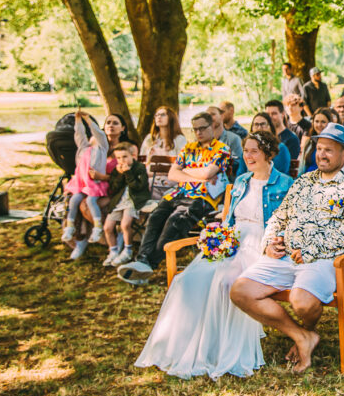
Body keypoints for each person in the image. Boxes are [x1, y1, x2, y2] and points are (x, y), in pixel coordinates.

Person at [137, 131, 293, 379]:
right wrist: (216, 235)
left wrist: (277, 242)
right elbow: (228, 219)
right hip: (234, 240)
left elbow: (290, 223)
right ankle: (195, 347)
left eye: (254, 150)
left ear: (268, 153)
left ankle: (225, 350)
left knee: (226, 282)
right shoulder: (241, 181)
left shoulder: (285, 183)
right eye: (246, 150)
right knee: (187, 280)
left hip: (261, 243)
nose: (248, 156)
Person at [230, 123, 344, 373]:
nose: (322, 154)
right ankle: (302, 336)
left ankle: (306, 332)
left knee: (302, 301)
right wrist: (270, 241)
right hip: (288, 255)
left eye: (329, 150)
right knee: (241, 291)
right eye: (319, 148)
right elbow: (279, 215)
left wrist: (310, 250)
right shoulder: (305, 181)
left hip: (331, 259)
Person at [117, 112, 231, 285]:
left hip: (204, 197)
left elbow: (208, 172)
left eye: (202, 128)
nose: (199, 132)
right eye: (195, 129)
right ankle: (142, 261)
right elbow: (172, 173)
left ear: (212, 127)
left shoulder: (221, 149)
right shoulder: (189, 148)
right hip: (177, 193)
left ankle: (148, 264)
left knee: (175, 221)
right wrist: (197, 176)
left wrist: (186, 172)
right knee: (155, 217)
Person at [61, 111, 109, 259]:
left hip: (95, 184)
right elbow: (79, 135)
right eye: (91, 136)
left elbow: (99, 133)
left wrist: (89, 120)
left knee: (90, 201)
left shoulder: (101, 148)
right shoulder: (83, 149)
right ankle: (70, 227)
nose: (92, 137)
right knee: (74, 200)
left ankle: (97, 227)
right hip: (82, 185)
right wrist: (78, 120)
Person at [102, 142, 152, 266]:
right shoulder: (117, 170)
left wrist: (128, 173)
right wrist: (119, 175)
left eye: (125, 157)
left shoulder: (139, 167)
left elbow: (139, 187)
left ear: (132, 156)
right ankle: (113, 251)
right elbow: (113, 188)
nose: (121, 160)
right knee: (107, 227)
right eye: (118, 158)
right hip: (119, 201)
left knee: (125, 225)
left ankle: (128, 250)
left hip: (134, 200)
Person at [141, 106, 188, 200]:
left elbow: (182, 164)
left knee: (153, 184)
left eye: (163, 115)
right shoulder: (150, 139)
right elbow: (142, 160)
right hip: (150, 175)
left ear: (170, 118)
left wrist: (160, 172)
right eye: (157, 115)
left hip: (171, 178)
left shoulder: (179, 140)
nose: (159, 117)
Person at [300, 107, 339, 174]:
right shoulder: (309, 142)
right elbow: (302, 167)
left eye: (323, 122)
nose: (319, 125)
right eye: (317, 121)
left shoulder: (335, 143)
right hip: (307, 179)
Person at [206, 105, 243, 174]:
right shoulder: (202, 141)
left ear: (222, 116)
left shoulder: (234, 139)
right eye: (207, 116)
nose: (210, 117)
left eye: (213, 114)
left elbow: (238, 165)